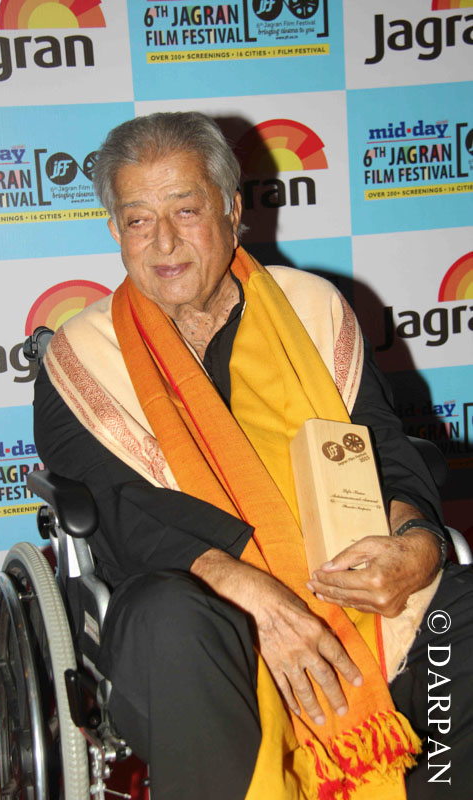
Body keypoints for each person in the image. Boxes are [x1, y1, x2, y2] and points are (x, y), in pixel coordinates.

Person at [34, 111, 473, 799]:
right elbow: (121, 512)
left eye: (185, 210)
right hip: (186, 607)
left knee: (460, 609)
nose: (163, 242)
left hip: (342, 579)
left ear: (232, 210)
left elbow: (380, 446)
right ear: (116, 230)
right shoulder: (79, 358)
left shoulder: (314, 309)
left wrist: (418, 542)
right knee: (172, 618)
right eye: (138, 220)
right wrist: (246, 588)